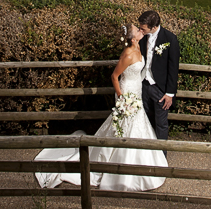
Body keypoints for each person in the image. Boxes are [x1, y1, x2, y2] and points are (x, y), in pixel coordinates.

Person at [34, 23, 167, 192]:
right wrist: (121, 96)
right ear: (133, 38)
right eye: (138, 30)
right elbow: (114, 76)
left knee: (138, 124)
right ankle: (117, 169)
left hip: (137, 91)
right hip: (126, 93)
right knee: (124, 126)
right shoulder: (128, 54)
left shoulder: (139, 47)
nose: (142, 31)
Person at [138, 10, 180, 150]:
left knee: (161, 124)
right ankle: (147, 156)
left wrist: (170, 93)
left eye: (143, 28)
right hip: (143, 85)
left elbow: (173, 69)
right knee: (144, 121)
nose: (140, 30)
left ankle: (161, 158)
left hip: (160, 90)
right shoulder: (142, 37)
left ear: (154, 27)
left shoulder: (170, 39)